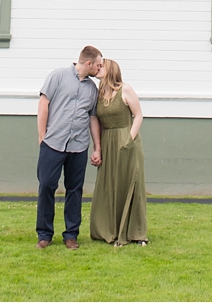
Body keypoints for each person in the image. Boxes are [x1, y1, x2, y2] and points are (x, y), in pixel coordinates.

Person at [35, 45, 103, 249]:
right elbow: (43, 104)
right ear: (88, 63)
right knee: (47, 185)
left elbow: (93, 118)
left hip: (79, 146)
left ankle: (71, 234)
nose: (100, 69)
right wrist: (42, 136)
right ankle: (44, 234)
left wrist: (96, 147)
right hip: (53, 143)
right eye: (98, 65)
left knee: (75, 190)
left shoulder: (92, 89)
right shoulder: (57, 76)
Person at [89, 57, 148, 246]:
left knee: (130, 183)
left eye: (101, 66)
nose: (98, 68)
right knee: (110, 185)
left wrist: (129, 138)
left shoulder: (125, 89)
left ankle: (136, 233)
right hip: (108, 142)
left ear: (111, 69)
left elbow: (138, 115)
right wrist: (97, 146)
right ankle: (109, 229)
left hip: (127, 141)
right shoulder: (98, 94)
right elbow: (95, 120)